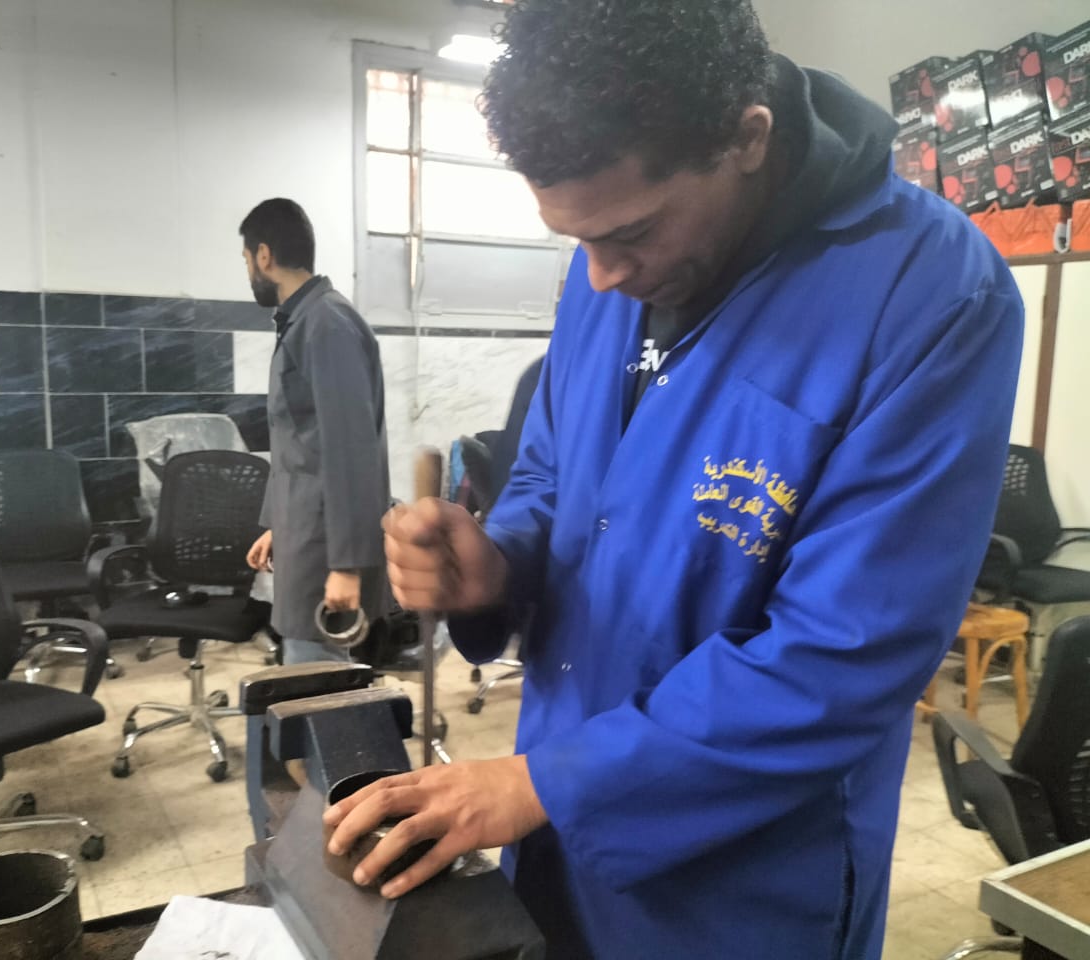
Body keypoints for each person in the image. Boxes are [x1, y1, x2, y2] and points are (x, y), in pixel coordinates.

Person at [321, 2, 1024, 958]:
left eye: (631, 232)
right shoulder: (611, 267)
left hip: (742, 878)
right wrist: (498, 562)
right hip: (556, 814)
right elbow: (552, 472)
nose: (600, 278)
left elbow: (845, 652)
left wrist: (552, 783)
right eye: (575, 241)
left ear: (747, 138)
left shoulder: (930, 294)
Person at [240, 198, 389, 665]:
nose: (249, 272)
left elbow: (351, 450)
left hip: (325, 549)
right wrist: (277, 524)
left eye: (246, 260)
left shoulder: (326, 324)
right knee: (304, 668)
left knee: (318, 682)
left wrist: (347, 565)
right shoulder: (304, 320)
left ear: (264, 256)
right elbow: (297, 442)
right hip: (305, 533)